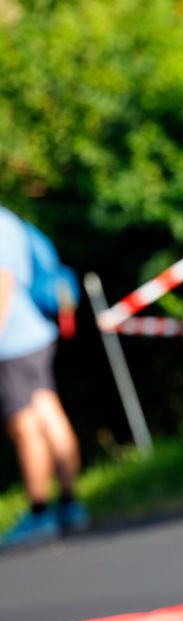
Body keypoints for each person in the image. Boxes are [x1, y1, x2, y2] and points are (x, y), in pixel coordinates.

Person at [0, 205, 88, 549]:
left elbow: (3, 283)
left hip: (12, 343)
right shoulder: (8, 219)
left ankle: (40, 511)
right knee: (49, 414)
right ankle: (69, 504)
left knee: (25, 425)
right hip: (33, 334)